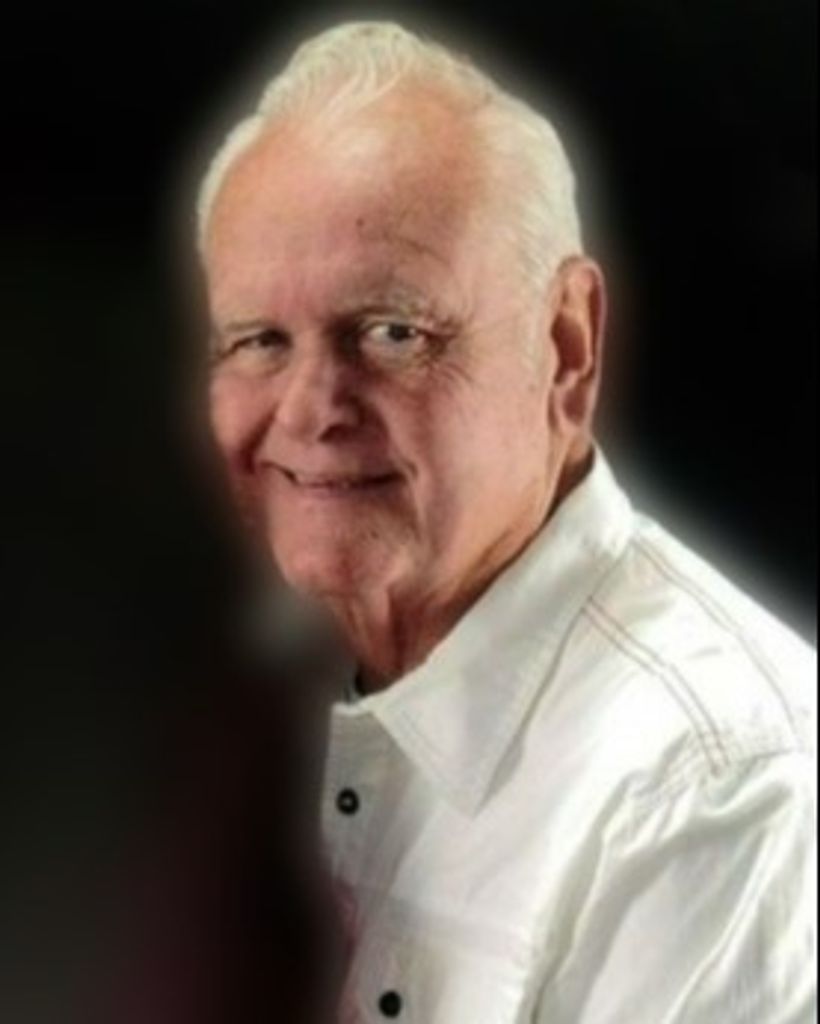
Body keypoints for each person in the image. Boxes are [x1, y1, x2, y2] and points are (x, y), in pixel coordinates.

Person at [199, 21, 816, 1022]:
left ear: (566, 347)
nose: (310, 410)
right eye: (259, 339)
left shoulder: (714, 788)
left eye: (393, 331)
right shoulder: (247, 692)